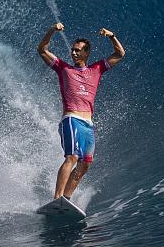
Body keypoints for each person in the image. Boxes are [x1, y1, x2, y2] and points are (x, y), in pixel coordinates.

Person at [37, 22, 125, 200]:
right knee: (72, 157)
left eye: (78, 50)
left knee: (84, 165)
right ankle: (57, 198)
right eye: (73, 50)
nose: (74, 53)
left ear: (86, 53)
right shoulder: (63, 68)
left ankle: (66, 200)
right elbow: (42, 50)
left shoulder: (97, 69)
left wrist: (111, 36)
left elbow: (120, 54)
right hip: (71, 119)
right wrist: (52, 30)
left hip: (88, 125)